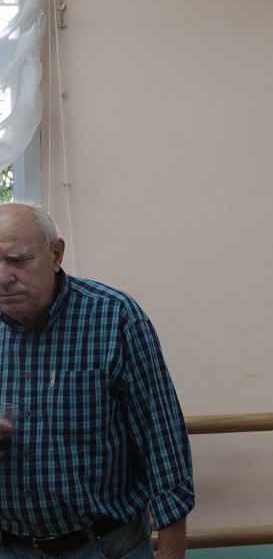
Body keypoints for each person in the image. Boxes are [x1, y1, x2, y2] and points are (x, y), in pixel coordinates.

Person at [0, 203, 193, 559]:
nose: (3, 276)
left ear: (55, 254)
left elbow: (162, 440)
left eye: (18, 260)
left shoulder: (114, 317)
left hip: (106, 545)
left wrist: (171, 549)